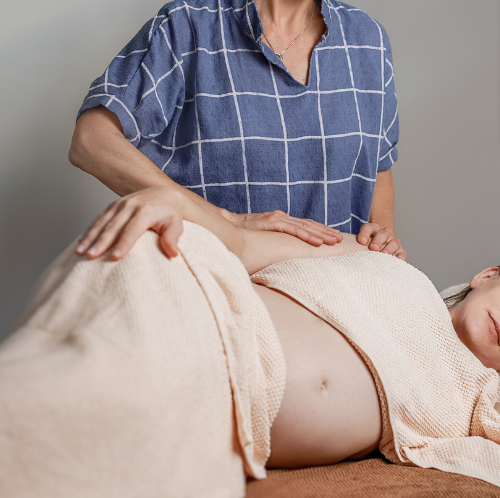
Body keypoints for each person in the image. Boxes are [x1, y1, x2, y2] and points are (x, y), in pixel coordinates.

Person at [75, 186, 500, 470]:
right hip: (181, 321)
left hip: (204, 422)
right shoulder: (383, 261)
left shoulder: (481, 402)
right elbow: (235, 243)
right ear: (488, 275)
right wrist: (169, 201)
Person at [69, 0, 407, 261]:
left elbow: (378, 168)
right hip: (213, 287)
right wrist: (223, 219)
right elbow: (91, 140)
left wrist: (383, 241)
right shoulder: (187, 23)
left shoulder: (370, 40)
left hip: (333, 302)